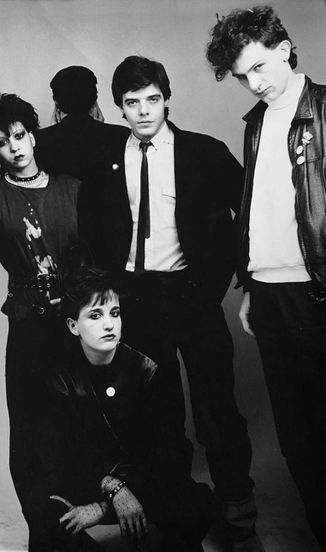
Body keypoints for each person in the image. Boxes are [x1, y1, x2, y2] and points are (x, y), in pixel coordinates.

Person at [89, 55, 262, 552]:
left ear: (166, 99)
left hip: (193, 296)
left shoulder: (202, 152)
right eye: (132, 102)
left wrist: (224, 280)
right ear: (119, 107)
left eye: (152, 99)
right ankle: (178, 513)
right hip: (137, 301)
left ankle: (238, 512)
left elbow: (249, 210)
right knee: (157, 414)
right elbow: (92, 226)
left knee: (216, 408)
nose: (144, 111)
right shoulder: (105, 160)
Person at [206, 5, 326, 549]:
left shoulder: (322, 109)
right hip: (271, 293)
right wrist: (251, 285)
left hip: (317, 289)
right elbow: (261, 207)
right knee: (297, 433)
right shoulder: (256, 123)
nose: (253, 84)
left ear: (283, 48)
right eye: (241, 77)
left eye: (258, 67)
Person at [0, 92, 94, 527]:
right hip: (28, 324)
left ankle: (79, 522)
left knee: (79, 422)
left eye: (18, 136)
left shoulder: (73, 187)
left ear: (33, 136)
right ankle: (47, 531)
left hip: (77, 323)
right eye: (2, 142)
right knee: (32, 432)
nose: (14, 148)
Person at [23, 265, 215, 552]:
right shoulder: (58, 378)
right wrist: (109, 487)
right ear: (73, 326)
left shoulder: (146, 370)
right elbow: (58, 459)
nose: (109, 324)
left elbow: (167, 454)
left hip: (143, 485)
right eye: (95, 316)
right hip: (88, 484)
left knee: (195, 503)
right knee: (42, 510)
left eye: (114, 313)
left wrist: (109, 505)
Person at [34, 65, 129, 181]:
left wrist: (52, 134)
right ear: (95, 100)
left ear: (56, 103)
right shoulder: (123, 136)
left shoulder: (36, 141)